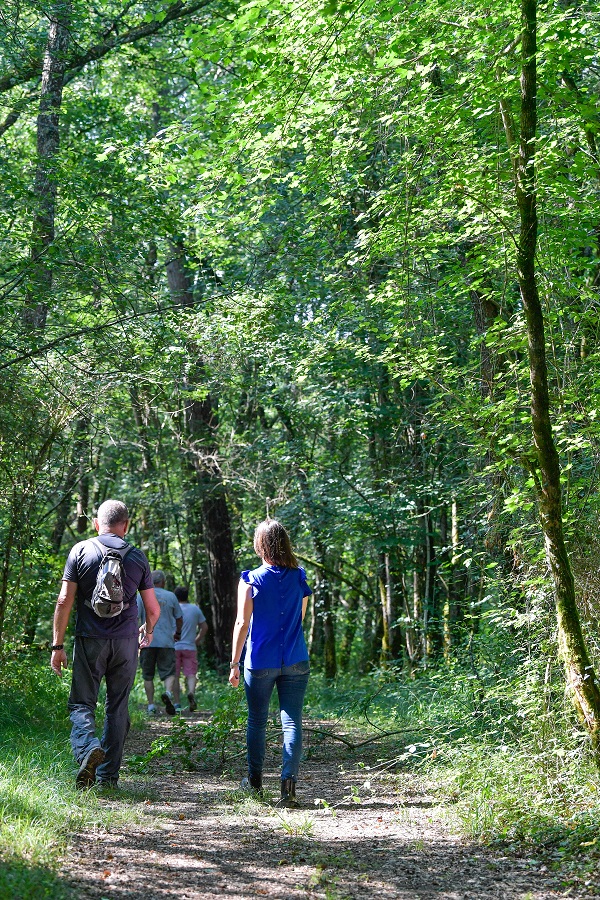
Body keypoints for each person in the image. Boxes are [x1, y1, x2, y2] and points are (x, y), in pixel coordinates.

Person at [50, 499, 160, 790]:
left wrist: (57, 646)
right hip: (125, 642)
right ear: (125, 525)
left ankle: (87, 748)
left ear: (97, 524)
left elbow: (64, 600)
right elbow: (153, 609)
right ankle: (108, 778)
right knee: (118, 707)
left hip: (90, 640)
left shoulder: (81, 551)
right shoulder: (137, 557)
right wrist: (147, 632)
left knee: (82, 703)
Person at [229, 519, 311, 808]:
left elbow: (242, 622)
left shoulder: (251, 579)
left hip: (259, 660)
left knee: (257, 721)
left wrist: (234, 663)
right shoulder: (299, 576)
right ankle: (288, 788)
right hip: (296, 659)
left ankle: (254, 784)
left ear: (260, 545)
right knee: (292, 721)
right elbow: (300, 617)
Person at [137, 570, 183, 716]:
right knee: (169, 672)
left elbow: (135, 617)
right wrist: (178, 633)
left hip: (146, 642)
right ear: (163, 581)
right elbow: (179, 618)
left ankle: (151, 705)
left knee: (147, 674)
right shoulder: (171, 596)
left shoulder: (141, 595)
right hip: (166, 641)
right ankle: (168, 693)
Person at [172, 585, 208, 712]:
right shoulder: (195, 609)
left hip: (174, 646)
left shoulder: (173, 610)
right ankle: (191, 692)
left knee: (175, 675)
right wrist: (197, 640)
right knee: (191, 673)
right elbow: (204, 627)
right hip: (190, 647)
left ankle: (177, 703)